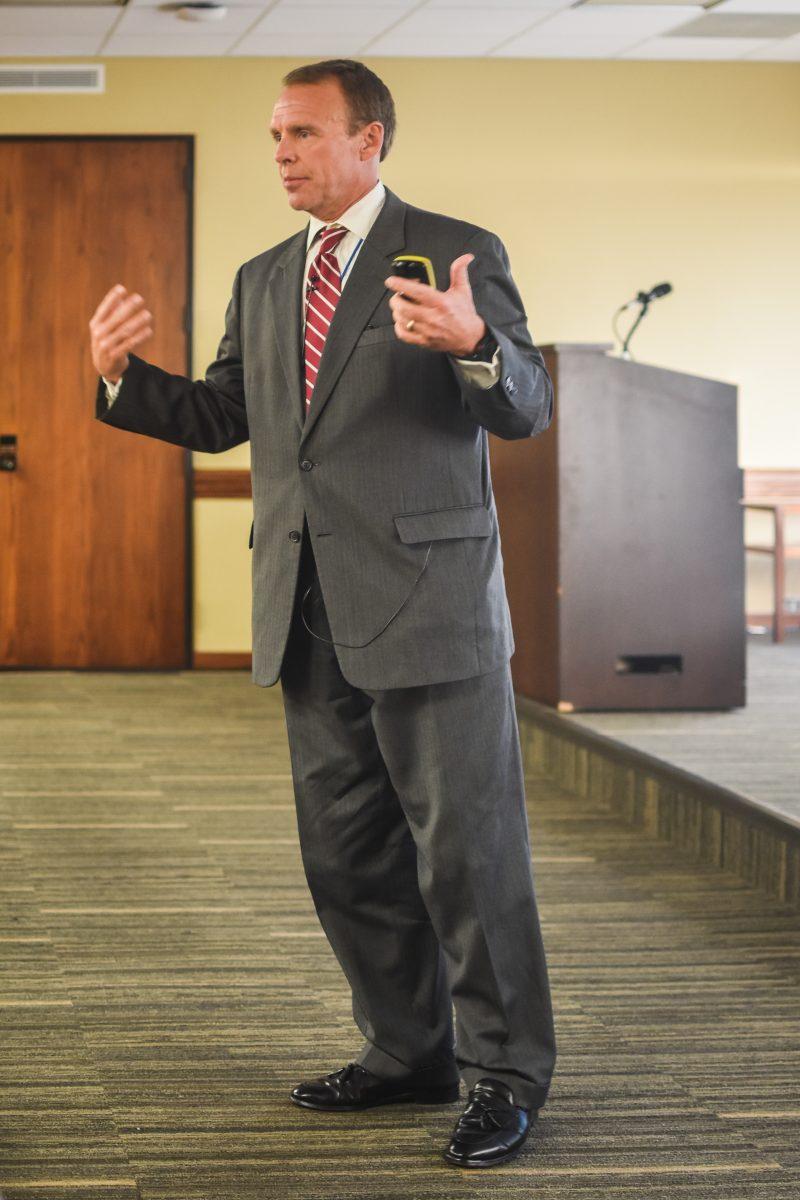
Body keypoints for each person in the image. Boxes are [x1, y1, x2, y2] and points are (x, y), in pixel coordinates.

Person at [88, 59, 556, 1170]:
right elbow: (220, 416)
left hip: (428, 604)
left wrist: (472, 346)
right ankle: (407, 1053)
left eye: (302, 133)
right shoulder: (261, 277)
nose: (283, 153)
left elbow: (526, 406)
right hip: (305, 609)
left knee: (467, 858)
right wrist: (121, 380)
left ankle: (505, 1074)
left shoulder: (455, 249)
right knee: (344, 856)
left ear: (370, 139)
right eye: (274, 136)